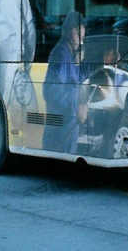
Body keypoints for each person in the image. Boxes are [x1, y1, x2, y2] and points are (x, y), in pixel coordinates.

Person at [42, 11, 87, 153]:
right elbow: (52, 91)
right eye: (78, 36)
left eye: (82, 37)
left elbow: (75, 78)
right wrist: (77, 106)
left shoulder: (68, 53)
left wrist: (96, 64)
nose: (81, 41)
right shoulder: (61, 54)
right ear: (69, 31)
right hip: (60, 130)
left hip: (66, 126)